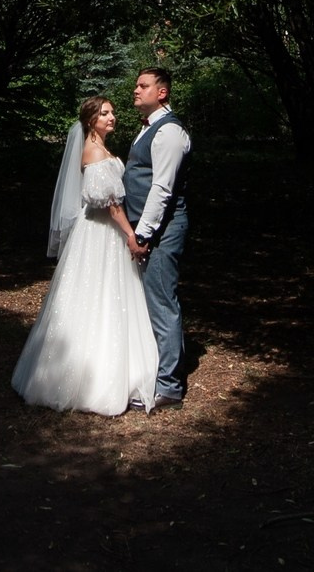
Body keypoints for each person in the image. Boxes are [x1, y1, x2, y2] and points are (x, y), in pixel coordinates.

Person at [11, 96, 159, 415]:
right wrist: (130, 234)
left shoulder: (101, 149)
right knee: (95, 295)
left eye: (113, 112)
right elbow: (109, 203)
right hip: (100, 234)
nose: (112, 117)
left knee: (110, 296)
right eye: (105, 113)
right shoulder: (92, 152)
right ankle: (87, 379)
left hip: (105, 234)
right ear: (91, 120)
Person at [124, 66, 190, 406]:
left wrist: (143, 232)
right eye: (137, 85)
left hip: (161, 232)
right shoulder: (147, 129)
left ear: (161, 92)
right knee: (149, 302)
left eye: (143, 85)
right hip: (144, 229)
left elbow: (162, 189)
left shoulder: (169, 132)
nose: (136, 90)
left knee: (162, 303)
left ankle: (169, 387)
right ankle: (152, 373)